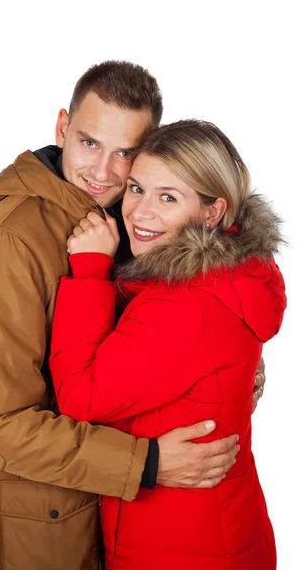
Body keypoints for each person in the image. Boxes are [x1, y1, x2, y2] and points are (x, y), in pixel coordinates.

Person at [0, 63, 261, 570]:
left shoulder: (133, 223)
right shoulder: (5, 243)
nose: (104, 172)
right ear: (61, 128)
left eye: (125, 154)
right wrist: (148, 463)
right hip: (36, 531)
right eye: (89, 143)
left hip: (109, 516)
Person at [50, 119, 286, 569]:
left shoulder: (186, 304)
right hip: (204, 531)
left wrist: (90, 273)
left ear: (212, 212)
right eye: (136, 189)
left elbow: (81, 397)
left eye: (168, 197)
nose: (139, 212)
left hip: (185, 548)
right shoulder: (219, 278)